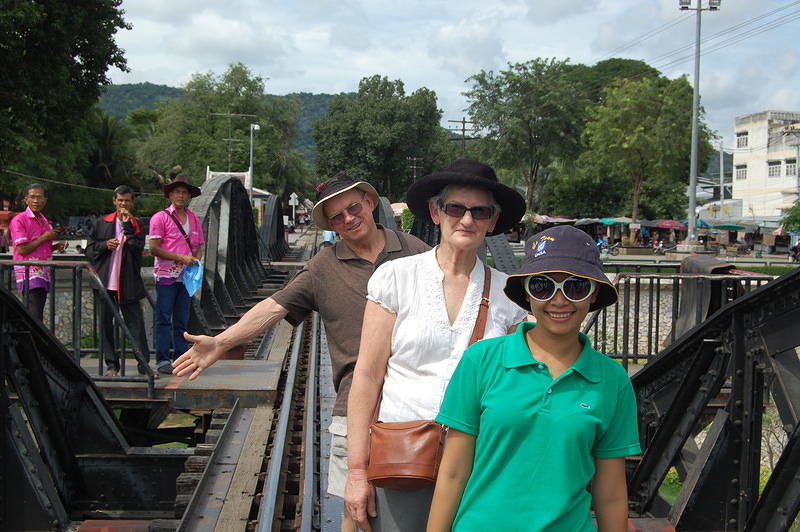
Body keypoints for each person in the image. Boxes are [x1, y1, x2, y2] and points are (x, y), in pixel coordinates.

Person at [172, 173, 429, 532]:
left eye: (353, 207)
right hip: (355, 408)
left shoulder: (416, 251)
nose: (348, 219)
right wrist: (220, 342)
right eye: (336, 217)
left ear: (370, 203)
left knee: (419, 513)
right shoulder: (323, 267)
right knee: (357, 514)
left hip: (419, 405)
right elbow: (273, 307)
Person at [345, 158, 528, 532]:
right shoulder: (396, 278)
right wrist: (356, 471)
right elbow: (366, 376)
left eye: (480, 212)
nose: (466, 220)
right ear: (435, 212)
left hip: (477, 464)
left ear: (492, 221)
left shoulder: (509, 296)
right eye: (455, 208)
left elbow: (516, 390)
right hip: (401, 458)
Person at [427, 225, 641, 532]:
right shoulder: (482, 361)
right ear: (527, 292)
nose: (559, 300)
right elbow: (453, 473)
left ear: (593, 294)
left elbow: (610, 495)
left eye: (576, 287)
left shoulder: (612, 380)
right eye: (543, 286)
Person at [86, 185, 151, 377]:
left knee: (135, 324)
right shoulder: (101, 223)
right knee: (106, 325)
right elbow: (89, 249)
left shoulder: (137, 224)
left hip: (128, 282)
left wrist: (128, 227)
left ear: (132, 203)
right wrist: (105, 245)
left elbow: (137, 246)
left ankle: (143, 363)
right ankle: (111, 365)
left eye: (127, 201)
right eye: (120, 200)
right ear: (114, 201)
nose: (123, 204)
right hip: (105, 281)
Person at [148, 175, 205, 375]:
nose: (181, 195)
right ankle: (163, 359)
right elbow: (153, 248)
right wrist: (181, 257)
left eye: (184, 192)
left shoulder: (195, 220)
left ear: (189, 196)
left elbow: (199, 247)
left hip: (186, 278)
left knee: (182, 319)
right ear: (170, 194)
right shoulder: (160, 218)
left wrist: (194, 260)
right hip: (166, 276)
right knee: (163, 317)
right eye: (177, 192)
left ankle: (181, 357)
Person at [8, 184, 67, 321]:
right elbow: (22, 250)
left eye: (39, 197)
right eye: (32, 197)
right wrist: (45, 237)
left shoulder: (43, 220)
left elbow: (41, 248)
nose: (36, 201)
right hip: (29, 274)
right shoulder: (19, 220)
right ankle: (31, 342)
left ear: (45, 200)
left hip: (42, 273)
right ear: (26, 199)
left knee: (37, 313)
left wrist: (56, 246)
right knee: (33, 315)